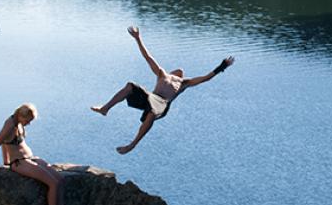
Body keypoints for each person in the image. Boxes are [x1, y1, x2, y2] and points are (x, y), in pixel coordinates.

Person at [90, 26, 234, 154]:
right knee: (130, 86)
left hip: (162, 103)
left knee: (152, 113)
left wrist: (221, 67)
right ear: (172, 72)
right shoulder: (162, 74)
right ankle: (105, 108)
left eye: (181, 72)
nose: (180, 71)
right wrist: (138, 38)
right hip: (151, 97)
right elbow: (148, 57)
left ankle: (132, 145)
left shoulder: (185, 83)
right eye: (177, 71)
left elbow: (205, 78)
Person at [0, 103, 65, 205]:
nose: (28, 123)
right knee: (53, 183)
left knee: (60, 179)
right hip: (19, 162)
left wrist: (5, 160)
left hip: (29, 158)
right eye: (28, 121)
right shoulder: (9, 125)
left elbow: (5, 142)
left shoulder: (16, 122)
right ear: (20, 115)